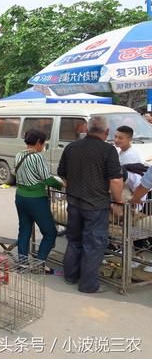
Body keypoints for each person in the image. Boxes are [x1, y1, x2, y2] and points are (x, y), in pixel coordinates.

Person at [57, 116, 123, 293]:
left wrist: (75, 187)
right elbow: (116, 181)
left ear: (86, 129)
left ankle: (70, 276)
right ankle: (88, 285)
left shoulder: (72, 147)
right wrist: (118, 201)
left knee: (74, 240)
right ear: (107, 132)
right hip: (96, 206)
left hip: (74, 203)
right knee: (93, 245)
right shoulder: (108, 150)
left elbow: (62, 173)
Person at [14, 129, 63, 273]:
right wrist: (62, 185)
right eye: (43, 143)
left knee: (24, 230)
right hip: (35, 199)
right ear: (38, 143)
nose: (43, 146)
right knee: (50, 232)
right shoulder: (37, 157)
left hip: (20, 197)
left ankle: (22, 263)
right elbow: (46, 178)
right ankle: (40, 263)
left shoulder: (19, 155)